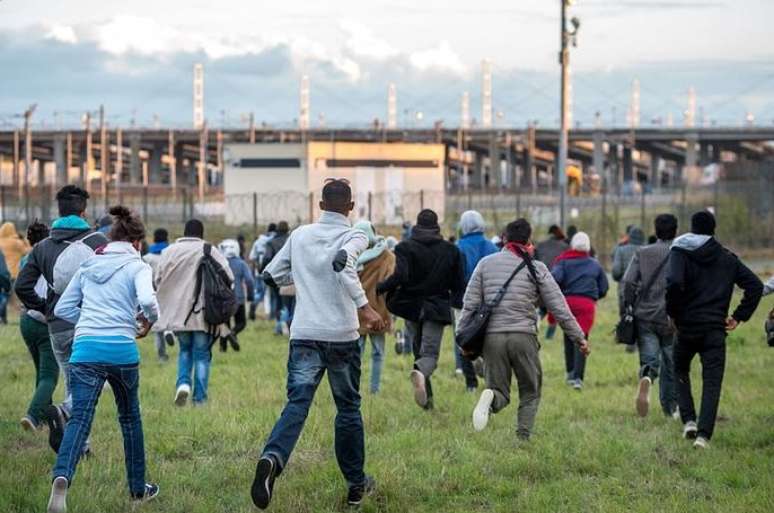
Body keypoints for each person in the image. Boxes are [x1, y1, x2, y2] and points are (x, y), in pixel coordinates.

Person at [251, 179, 384, 509]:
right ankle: (356, 485)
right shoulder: (355, 234)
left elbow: (271, 274)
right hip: (340, 335)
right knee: (348, 410)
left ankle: (273, 458)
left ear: (321, 205)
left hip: (305, 333)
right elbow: (344, 261)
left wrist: (303, 281)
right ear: (351, 207)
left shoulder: (299, 235)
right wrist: (365, 308)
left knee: (297, 404)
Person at [47, 206, 160, 513]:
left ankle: (62, 477)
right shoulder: (138, 266)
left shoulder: (89, 264)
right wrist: (149, 321)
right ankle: (138, 490)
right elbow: (149, 301)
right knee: (129, 418)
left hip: (84, 350)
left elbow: (62, 310)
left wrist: (89, 321)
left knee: (80, 419)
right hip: (121, 349)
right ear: (137, 242)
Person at [461, 219, 589, 439]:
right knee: (530, 391)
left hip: (492, 338)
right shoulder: (536, 267)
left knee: (501, 390)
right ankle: (522, 436)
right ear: (529, 240)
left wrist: (462, 339)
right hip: (524, 337)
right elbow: (559, 306)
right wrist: (579, 338)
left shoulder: (485, 264)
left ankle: (491, 397)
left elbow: (470, 304)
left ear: (504, 239)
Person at [15, 185, 109, 454]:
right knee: (95, 381)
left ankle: (81, 446)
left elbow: (22, 286)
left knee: (72, 381)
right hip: (90, 323)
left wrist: (45, 307)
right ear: (84, 211)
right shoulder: (98, 242)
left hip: (57, 325)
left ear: (59, 210)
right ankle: (65, 411)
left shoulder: (42, 247)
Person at [666, 211, 763, 449]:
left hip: (686, 327)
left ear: (692, 228)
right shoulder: (727, 258)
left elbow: (674, 283)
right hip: (715, 329)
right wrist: (738, 317)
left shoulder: (680, 252)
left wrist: (674, 314)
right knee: (712, 382)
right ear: (713, 230)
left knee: (679, 369)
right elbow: (755, 285)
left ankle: (688, 420)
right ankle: (703, 436)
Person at [377, 209, 465, 410]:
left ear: (417, 225)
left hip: (411, 307)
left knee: (419, 352)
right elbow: (458, 284)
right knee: (430, 354)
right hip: (436, 309)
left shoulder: (404, 248)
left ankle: (428, 403)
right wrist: (461, 309)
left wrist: (380, 288)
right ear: (437, 226)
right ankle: (424, 387)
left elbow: (400, 277)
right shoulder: (451, 250)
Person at [153, 219, 233, 406]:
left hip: (177, 314)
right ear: (201, 233)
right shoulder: (208, 250)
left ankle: (183, 384)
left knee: (184, 351)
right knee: (202, 354)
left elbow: (157, 279)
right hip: (202, 313)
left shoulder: (168, 252)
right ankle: (200, 399)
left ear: (184, 232)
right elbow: (228, 275)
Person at [622, 214, 679, 418]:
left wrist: (629, 304)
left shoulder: (642, 252)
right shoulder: (681, 253)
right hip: (673, 316)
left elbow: (628, 281)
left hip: (645, 314)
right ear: (676, 230)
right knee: (671, 363)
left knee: (649, 356)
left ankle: (647, 376)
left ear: (655, 231)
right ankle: (670, 408)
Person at [551, 232, 609, 390]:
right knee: (582, 339)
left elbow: (554, 279)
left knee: (568, 336)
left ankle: (570, 372)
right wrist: (594, 297)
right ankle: (578, 378)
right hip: (586, 305)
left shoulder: (563, 262)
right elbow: (604, 287)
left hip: (567, 303)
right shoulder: (594, 264)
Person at [19, 221, 57, 432]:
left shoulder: (26, 258)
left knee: (41, 371)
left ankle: (43, 416)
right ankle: (33, 416)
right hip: (44, 320)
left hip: (26, 321)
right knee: (50, 376)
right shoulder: (49, 256)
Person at [455, 210, 498, 390]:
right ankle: (488, 375)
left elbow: (456, 276)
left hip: (462, 300)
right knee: (487, 338)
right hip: (488, 302)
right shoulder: (492, 247)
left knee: (463, 338)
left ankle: (470, 382)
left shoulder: (458, 247)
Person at [353, 220, 395, 394]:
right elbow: (391, 283)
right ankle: (375, 390)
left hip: (358, 310)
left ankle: (353, 387)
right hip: (379, 310)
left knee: (357, 354)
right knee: (378, 353)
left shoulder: (352, 254)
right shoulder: (387, 257)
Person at [218, 238, 255, 352]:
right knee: (241, 322)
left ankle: (223, 348)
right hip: (238, 298)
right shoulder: (241, 264)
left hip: (222, 298)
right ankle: (233, 333)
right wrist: (250, 295)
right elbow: (249, 280)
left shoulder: (219, 263)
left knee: (224, 324)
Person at [613, 226, 644, 352]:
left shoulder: (621, 250)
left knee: (626, 314)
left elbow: (616, 271)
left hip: (624, 288)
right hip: (643, 289)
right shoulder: (646, 250)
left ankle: (629, 341)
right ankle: (640, 342)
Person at [535, 225, 570, 339]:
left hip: (541, 279)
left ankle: (536, 323)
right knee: (555, 308)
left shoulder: (540, 246)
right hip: (557, 282)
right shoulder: (565, 247)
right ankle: (549, 336)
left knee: (543, 307)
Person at [142, 228, 170, 362]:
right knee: (171, 318)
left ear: (154, 239)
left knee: (157, 325)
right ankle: (169, 331)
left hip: (153, 292)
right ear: (167, 238)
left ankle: (161, 355)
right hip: (169, 291)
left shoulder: (147, 258)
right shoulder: (171, 254)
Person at [262, 221, 291, 335]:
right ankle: (289, 323)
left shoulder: (271, 243)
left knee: (278, 301)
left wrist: (263, 270)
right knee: (291, 303)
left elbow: (266, 258)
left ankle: (279, 325)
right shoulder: (291, 241)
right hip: (291, 276)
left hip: (276, 277)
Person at [0, 221, 30, 323]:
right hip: (12, 273)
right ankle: (3, 317)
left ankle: (3, 318)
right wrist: (24, 240)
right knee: (6, 295)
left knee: (1, 295)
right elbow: (28, 251)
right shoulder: (16, 242)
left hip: (1, 271)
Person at [248, 223, 277, 320]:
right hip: (271, 272)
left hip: (259, 272)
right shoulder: (275, 240)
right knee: (273, 295)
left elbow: (252, 257)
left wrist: (257, 269)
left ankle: (254, 303)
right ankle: (272, 316)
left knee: (259, 293)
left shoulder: (258, 241)